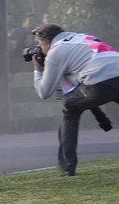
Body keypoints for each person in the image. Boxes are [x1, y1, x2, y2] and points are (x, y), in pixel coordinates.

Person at [32, 24, 119, 176]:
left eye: (40, 45)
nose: (41, 50)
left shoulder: (55, 52)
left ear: (47, 42)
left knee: (69, 108)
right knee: (76, 100)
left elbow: (44, 92)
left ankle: (67, 167)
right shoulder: (82, 36)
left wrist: (38, 70)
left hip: (100, 81)